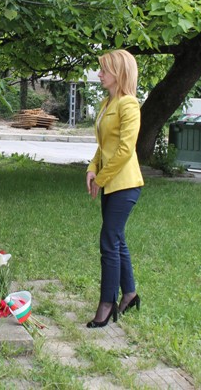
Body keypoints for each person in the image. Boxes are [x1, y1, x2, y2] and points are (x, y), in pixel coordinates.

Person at [85, 49, 144, 328]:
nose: (99, 74)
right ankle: (129, 294)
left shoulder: (129, 104)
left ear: (119, 73)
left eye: (104, 70)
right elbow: (104, 145)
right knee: (116, 238)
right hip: (111, 183)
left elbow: (124, 150)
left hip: (126, 184)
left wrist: (101, 179)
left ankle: (107, 304)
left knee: (108, 240)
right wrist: (92, 168)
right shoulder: (107, 103)